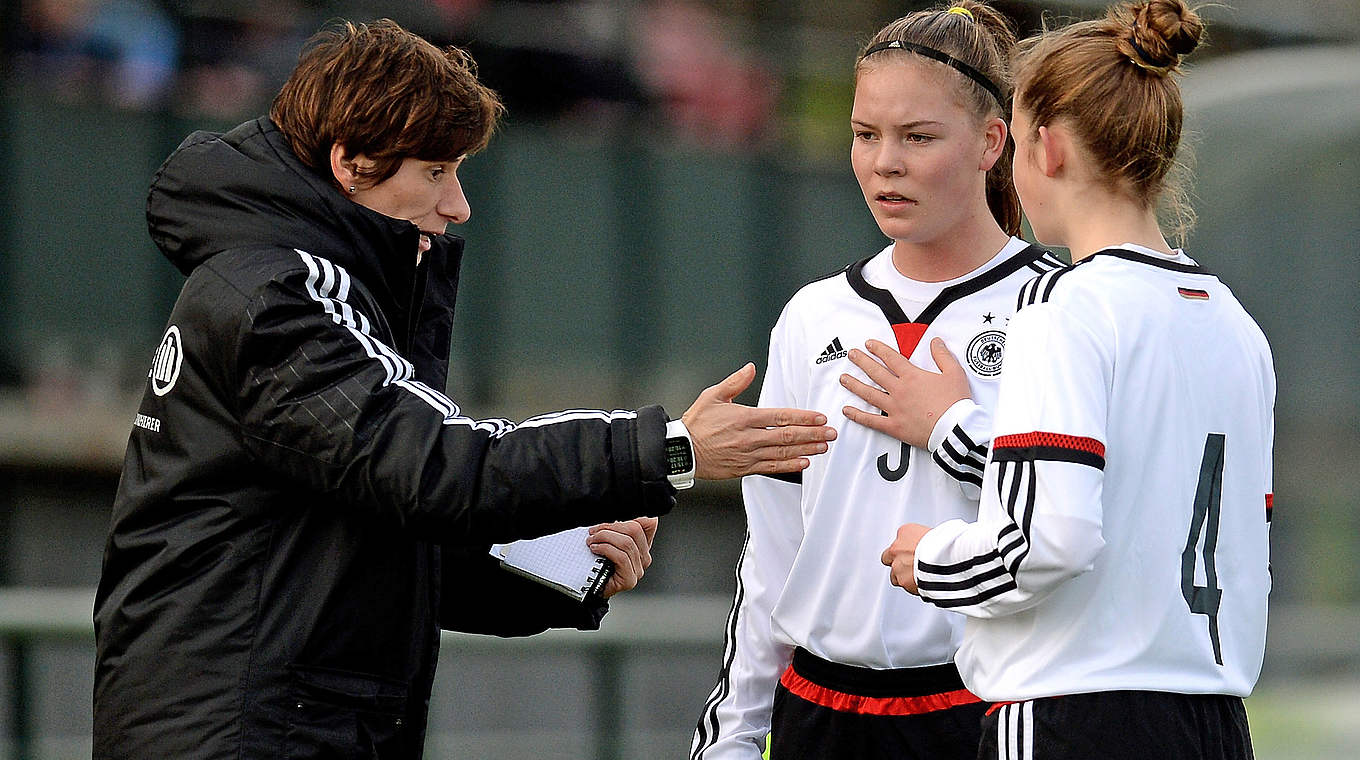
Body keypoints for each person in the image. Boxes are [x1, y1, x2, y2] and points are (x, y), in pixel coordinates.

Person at [91, 19, 836, 760]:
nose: (458, 206)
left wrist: (565, 573)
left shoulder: (283, 281)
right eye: (436, 171)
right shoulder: (281, 293)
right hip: (239, 734)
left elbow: (377, 543)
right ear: (350, 163)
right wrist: (669, 448)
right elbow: (435, 466)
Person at [867, 2, 1274, 758]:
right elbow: (1149, 505)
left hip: (1072, 717)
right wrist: (958, 429)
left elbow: (1043, 542)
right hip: (1214, 724)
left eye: (1015, 143)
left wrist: (930, 559)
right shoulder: (1236, 325)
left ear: (1047, 149)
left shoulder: (1065, 306)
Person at [690, 4, 1066, 759]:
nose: (884, 162)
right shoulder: (812, 314)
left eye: (918, 137)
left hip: (987, 710)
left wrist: (954, 428)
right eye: (866, 135)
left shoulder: (1057, 306)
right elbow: (773, 554)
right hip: (821, 716)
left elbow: (1073, 521)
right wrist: (732, 736)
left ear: (994, 141)